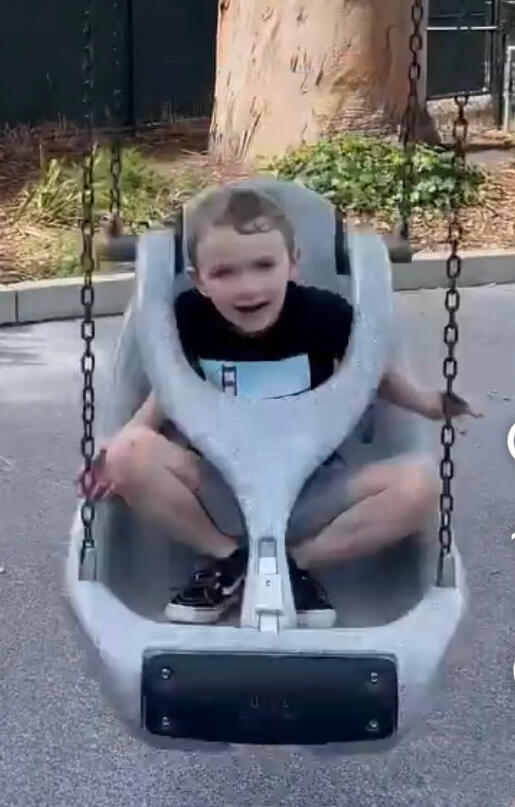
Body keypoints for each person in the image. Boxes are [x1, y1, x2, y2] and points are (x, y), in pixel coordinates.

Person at [77, 187, 479, 627]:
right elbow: (170, 392)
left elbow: (372, 372)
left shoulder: (323, 315)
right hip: (220, 485)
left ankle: (296, 564)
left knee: (421, 485)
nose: (248, 287)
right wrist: (113, 453)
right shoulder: (189, 319)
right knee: (126, 454)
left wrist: (429, 403)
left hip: (312, 487)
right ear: (199, 280)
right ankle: (231, 559)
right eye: (225, 272)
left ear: (293, 263)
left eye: (264, 266)